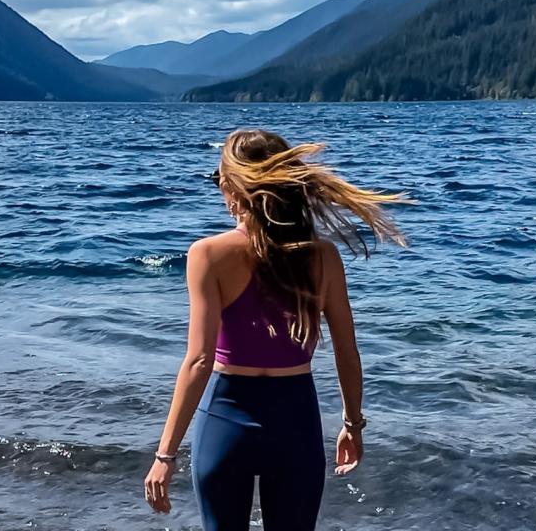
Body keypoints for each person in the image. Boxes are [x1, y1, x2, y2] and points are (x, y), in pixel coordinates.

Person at [143, 129, 407, 530]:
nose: (220, 190)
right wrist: (352, 424)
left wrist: (165, 456)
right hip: (295, 421)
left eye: (219, 180)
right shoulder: (323, 257)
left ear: (235, 185)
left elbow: (199, 360)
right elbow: (346, 352)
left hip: (224, 420)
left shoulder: (208, 255)